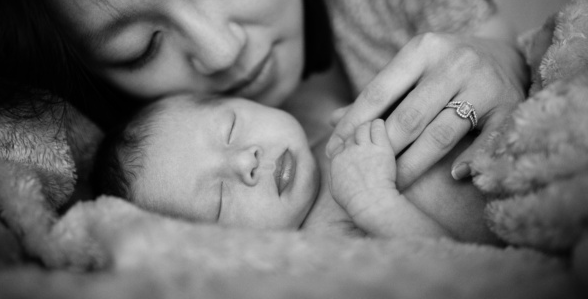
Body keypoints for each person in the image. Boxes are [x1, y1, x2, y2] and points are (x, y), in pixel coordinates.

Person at [0, 0, 528, 191]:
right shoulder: (71, 124)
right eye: (137, 49)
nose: (221, 52)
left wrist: (501, 59)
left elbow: (492, 47)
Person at [93, 93, 498, 243]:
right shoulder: (320, 248)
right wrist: (374, 203)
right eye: (218, 200)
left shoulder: (334, 122)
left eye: (231, 127)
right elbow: (455, 278)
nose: (245, 161)